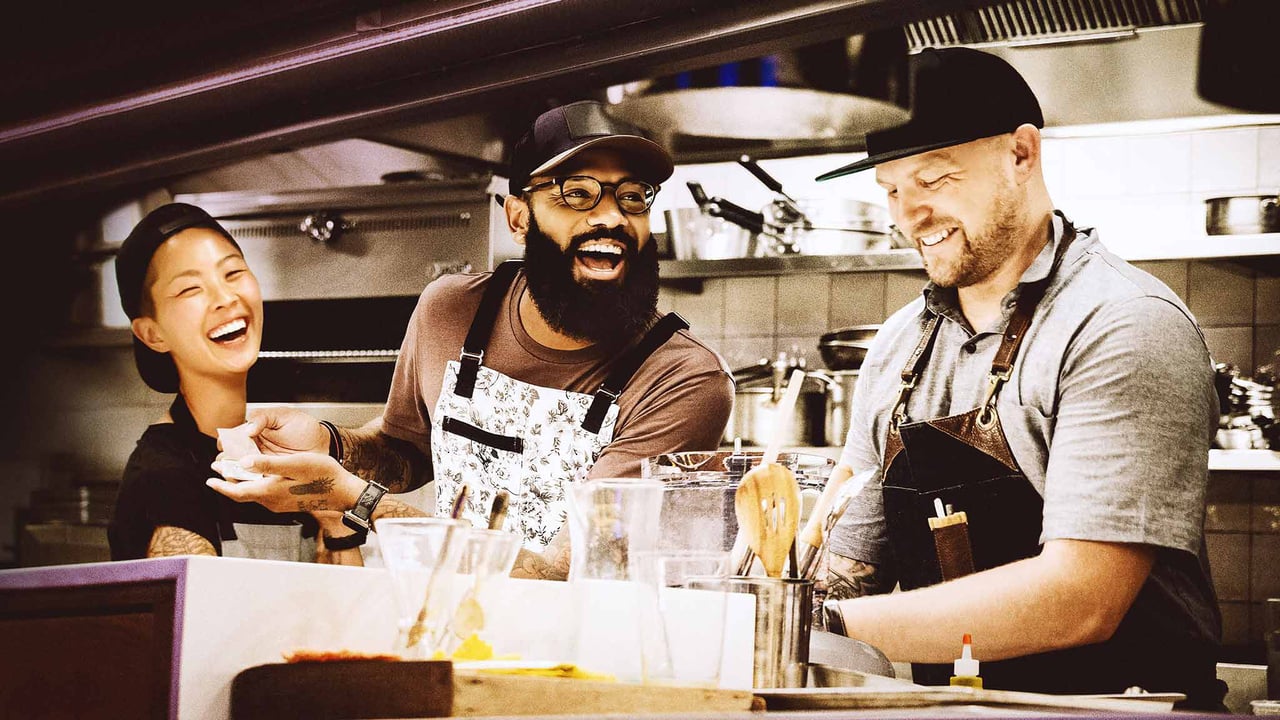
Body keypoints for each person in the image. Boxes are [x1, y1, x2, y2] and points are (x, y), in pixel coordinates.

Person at [814, 48, 1225, 709]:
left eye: (933, 179)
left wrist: (823, 626)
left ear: (1022, 154)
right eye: (891, 190)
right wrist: (772, 602)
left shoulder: (1124, 323)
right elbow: (847, 557)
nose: (908, 215)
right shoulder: (896, 346)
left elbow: (1082, 599)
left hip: (1119, 710)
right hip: (959, 708)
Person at [208, 100, 734, 578]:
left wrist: (353, 498)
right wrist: (331, 444)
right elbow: (406, 449)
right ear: (519, 217)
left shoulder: (685, 380)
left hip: (582, 643)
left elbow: (568, 573)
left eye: (633, 197)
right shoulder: (451, 308)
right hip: (452, 629)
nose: (613, 216)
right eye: (577, 193)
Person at [108, 203, 358, 563]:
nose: (226, 298)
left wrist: (334, 518)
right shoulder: (163, 477)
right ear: (152, 334)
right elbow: (197, 598)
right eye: (190, 289)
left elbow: (345, 595)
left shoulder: (281, 455)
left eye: (233, 272)